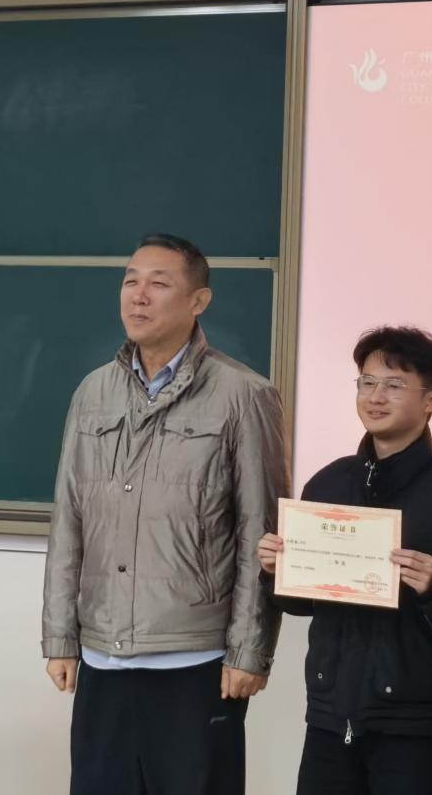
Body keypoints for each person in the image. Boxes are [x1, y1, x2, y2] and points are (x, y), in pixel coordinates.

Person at [41, 233, 287, 795]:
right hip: (102, 655)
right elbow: (68, 521)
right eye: (130, 281)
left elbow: (260, 530)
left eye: (159, 283)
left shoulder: (243, 395)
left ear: (199, 301)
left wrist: (250, 651)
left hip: (194, 661)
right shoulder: (92, 393)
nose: (139, 295)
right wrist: (60, 636)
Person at [258, 326, 432, 795]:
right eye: (367, 382)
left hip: (416, 726)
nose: (376, 396)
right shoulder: (328, 484)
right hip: (329, 713)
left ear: (431, 399)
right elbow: (302, 604)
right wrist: (276, 570)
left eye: (394, 385)